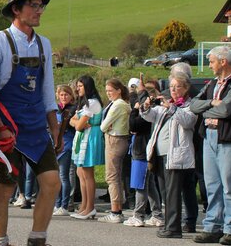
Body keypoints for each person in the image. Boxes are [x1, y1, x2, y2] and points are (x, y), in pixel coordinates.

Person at [0, 0, 61, 246]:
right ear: (16, 9)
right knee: (5, 189)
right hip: (8, 127)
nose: (39, 11)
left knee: (52, 183)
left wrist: (55, 123)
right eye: (34, 6)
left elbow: (47, 88)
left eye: (41, 6)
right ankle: (0, 241)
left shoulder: (44, 44)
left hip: (36, 125)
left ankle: (37, 239)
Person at [142, 72, 197, 239]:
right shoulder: (167, 105)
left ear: (186, 88)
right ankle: (169, 224)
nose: (173, 90)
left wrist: (172, 108)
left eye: (177, 86)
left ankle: (173, 227)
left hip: (176, 155)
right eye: (171, 87)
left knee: (173, 192)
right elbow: (150, 117)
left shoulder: (189, 105)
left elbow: (188, 122)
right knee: (166, 192)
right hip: (159, 154)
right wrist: (146, 107)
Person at [190, 46, 231, 245]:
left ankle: (230, 228)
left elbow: (225, 110)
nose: (209, 65)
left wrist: (208, 108)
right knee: (212, 184)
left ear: (223, 62)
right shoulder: (212, 84)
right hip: (209, 137)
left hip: (226, 139)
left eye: (212, 61)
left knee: (229, 186)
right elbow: (193, 106)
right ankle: (212, 227)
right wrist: (210, 105)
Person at [123, 79, 165, 228]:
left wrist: (134, 110)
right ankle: (157, 214)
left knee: (140, 183)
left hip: (142, 149)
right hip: (142, 147)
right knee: (149, 183)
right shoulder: (149, 109)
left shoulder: (149, 112)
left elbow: (134, 124)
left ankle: (138, 215)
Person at [70, 75, 105, 220]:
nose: (77, 89)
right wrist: (78, 122)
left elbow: (77, 125)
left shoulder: (93, 103)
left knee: (87, 173)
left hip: (90, 138)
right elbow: (72, 121)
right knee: (80, 172)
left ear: (87, 87)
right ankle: (84, 206)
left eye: (80, 86)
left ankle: (90, 207)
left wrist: (78, 122)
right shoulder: (84, 104)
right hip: (82, 137)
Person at [97, 78, 131, 223]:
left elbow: (103, 126)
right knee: (115, 176)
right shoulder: (118, 104)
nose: (108, 93)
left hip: (115, 140)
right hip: (115, 138)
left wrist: (107, 126)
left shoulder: (119, 105)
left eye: (111, 90)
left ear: (119, 90)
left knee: (112, 176)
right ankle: (116, 207)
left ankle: (115, 211)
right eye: (107, 91)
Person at [52, 84, 76, 216]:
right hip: (55, 145)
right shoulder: (56, 109)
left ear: (71, 96)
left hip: (67, 144)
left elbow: (67, 125)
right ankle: (57, 203)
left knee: (64, 176)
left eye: (66, 94)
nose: (63, 97)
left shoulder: (72, 108)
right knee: (56, 177)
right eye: (61, 95)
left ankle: (65, 205)